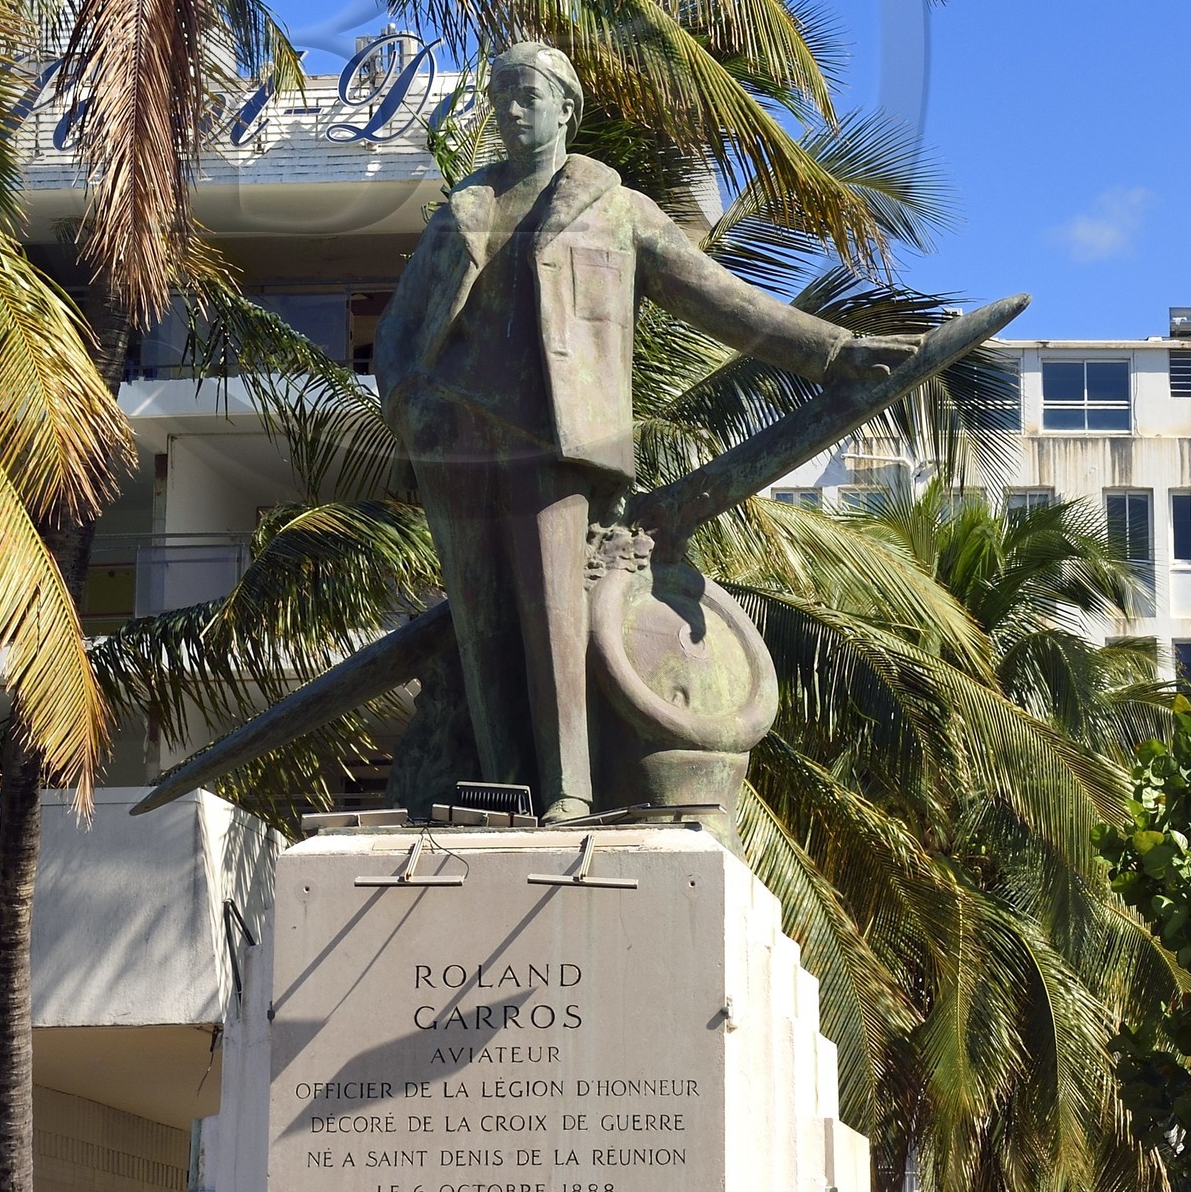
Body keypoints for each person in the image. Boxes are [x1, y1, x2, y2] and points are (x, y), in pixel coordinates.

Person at [374, 41, 910, 823]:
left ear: (567, 107)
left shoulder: (613, 207)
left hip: (550, 438)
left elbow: (719, 297)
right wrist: (409, 404)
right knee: (480, 627)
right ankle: (503, 788)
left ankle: (568, 789)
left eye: (527, 94)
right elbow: (396, 334)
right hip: (456, 439)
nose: (511, 110)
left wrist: (830, 350)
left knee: (553, 615)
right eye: (501, 97)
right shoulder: (468, 207)